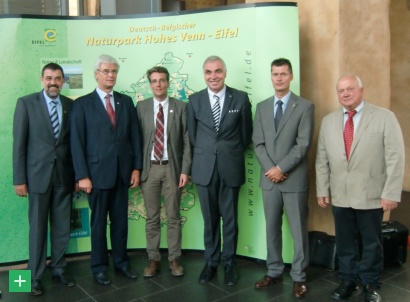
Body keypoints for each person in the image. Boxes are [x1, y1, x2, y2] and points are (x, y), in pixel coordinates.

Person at [316, 75, 405, 302]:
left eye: (350, 89)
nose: (345, 94)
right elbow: (322, 159)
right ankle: (348, 280)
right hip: (340, 194)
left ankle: (370, 284)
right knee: (345, 242)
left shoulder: (384, 117)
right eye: (341, 90)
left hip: (372, 194)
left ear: (361, 90)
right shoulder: (328, 121)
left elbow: (396, 157)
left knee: (371, 242)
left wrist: (390, 193)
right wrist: (322, 189)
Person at [70, 54, 143, 285]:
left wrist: (136, 168)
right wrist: (82, 175)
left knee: (121, 223)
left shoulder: (125, 101)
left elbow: (135, 138)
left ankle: (121, 263)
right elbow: (76, 142)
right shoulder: (82, 104)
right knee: (99, 225)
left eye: (114, 71)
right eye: (106, 71)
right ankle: (99, 267)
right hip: (96, 176)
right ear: (96, 74)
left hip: (122, 174)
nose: (110, 75)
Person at [186, 55, 253, 286]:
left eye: (217, 71)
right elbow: (193, 138)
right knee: (210, 220)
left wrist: (228, 153)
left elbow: (246, 136)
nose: (213, 76)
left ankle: (229, 263)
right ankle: (211, 263)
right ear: (203, 74)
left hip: (230, 167)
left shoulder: (241, 99)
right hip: (204, 170)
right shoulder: (194, 100)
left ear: (225, 72)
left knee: (230, 219)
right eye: (208, 72)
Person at [252, 58, 314, 299]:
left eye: (283, 74)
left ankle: (299, 277)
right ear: (271, 76)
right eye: (275, 74)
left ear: (291, 77)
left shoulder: (305, 106)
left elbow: (303, 144)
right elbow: (257, 143)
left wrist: (281, 168)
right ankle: (274, 270)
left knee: (298, 230)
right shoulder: (262, 106)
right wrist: (271, 169)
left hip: (294, 180)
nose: (279, 78)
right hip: (270, 180)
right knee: (272, 229)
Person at [13, 63, 76, 295]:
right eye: (49, 78)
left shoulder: (70, 105)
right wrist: (19, 179)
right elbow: (19, 144)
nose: (53, 82)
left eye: (58, 78)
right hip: (37, 177)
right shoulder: (26, 103)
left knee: (61, 227)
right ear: (42, 79)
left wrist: (78, 175)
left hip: (63, 177)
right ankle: (33, 277)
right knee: (38, 229)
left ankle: (58, 269)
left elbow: (73, 144)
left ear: (63, 81)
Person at [136, 66, 191, 278]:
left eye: (162, 80)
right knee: (152, 217)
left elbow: (187, 141)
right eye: (154, 81)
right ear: (150, 84)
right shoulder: (141, 107)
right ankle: (153, 259)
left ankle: (174, 258)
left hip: (172, 169)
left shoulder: (181, 107)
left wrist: (185, 170)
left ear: (168, 83)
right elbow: (136, 140)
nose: (158, 84)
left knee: (174, 217)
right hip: (149, 170)